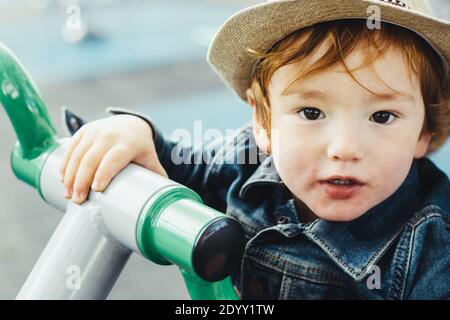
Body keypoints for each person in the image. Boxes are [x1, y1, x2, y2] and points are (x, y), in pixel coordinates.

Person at [59, 0, 450, 299]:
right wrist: (136, 131)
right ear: (264, 124)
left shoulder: (434, 243)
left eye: (382, 117)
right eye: (311, 111)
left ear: (423, 132)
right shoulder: (243, 162)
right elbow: (174, 162)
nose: (344, 148)